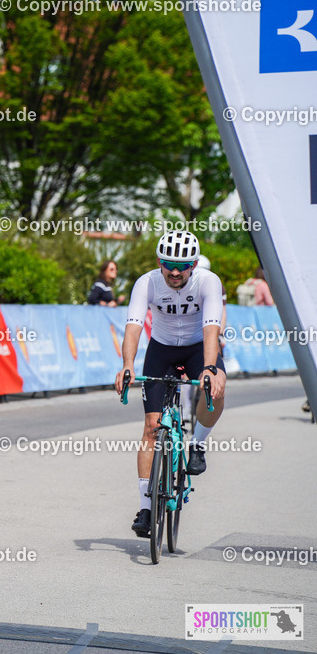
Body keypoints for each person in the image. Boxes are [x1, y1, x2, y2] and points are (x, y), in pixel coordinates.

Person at [114, 231, 226, 539]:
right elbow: (133, 326)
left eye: (183, 266)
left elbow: (211, 327)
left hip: (197, 348)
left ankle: (197, 443)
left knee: (216, 387)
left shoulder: (208, 282)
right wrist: (127, 364)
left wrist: (210, 369)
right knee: (151, 427)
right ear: (159, 262)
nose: (175, 272)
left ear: (194, 264)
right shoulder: (147, 283)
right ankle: (146, 509)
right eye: (168, 264)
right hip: (161, 349)